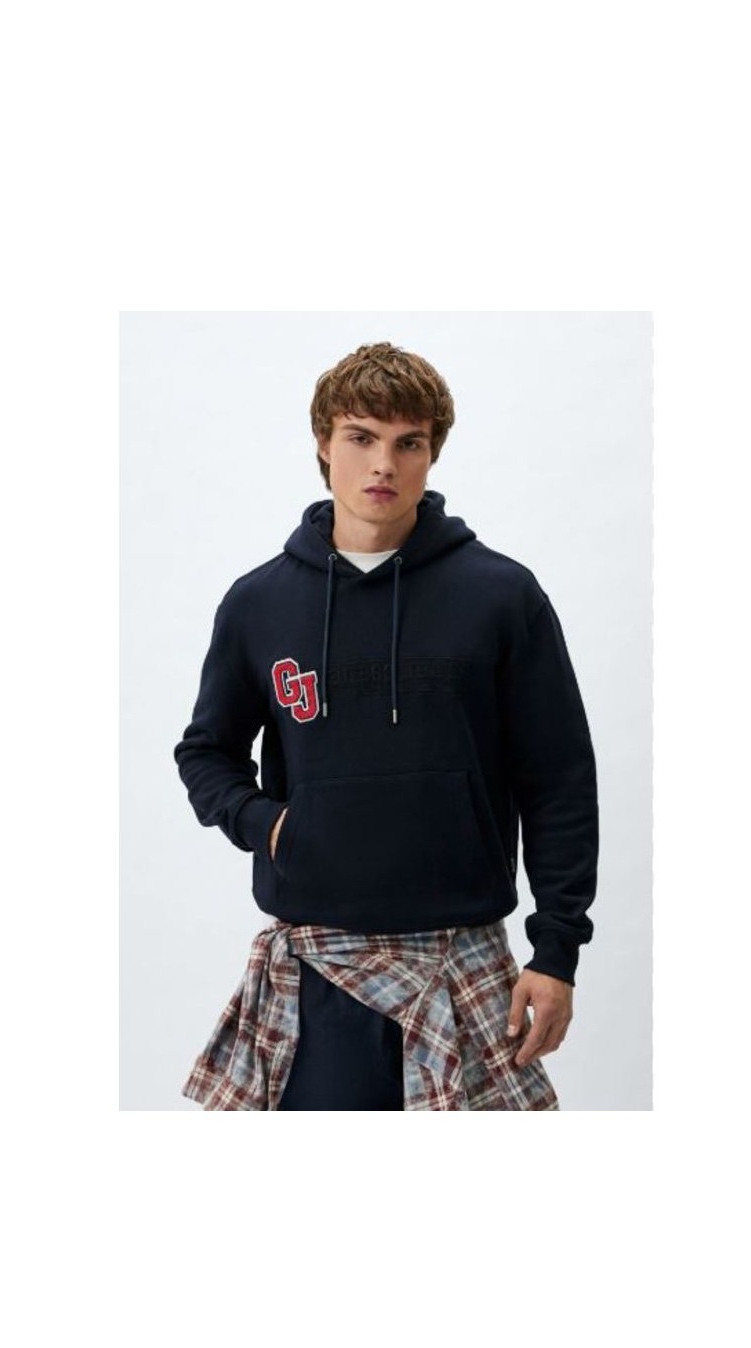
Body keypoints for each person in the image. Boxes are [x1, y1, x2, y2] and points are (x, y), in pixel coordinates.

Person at [174, 341, 599, 1110]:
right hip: (314, 969)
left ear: (432, 454)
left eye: (409, 444)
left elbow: (558, 780)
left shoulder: (502, 597)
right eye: (361, 437)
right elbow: (206, 752)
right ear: (323, 443)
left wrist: (557, 951)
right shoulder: (259, 604)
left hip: (465, 959)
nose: (384, 465)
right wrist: (269, 824)